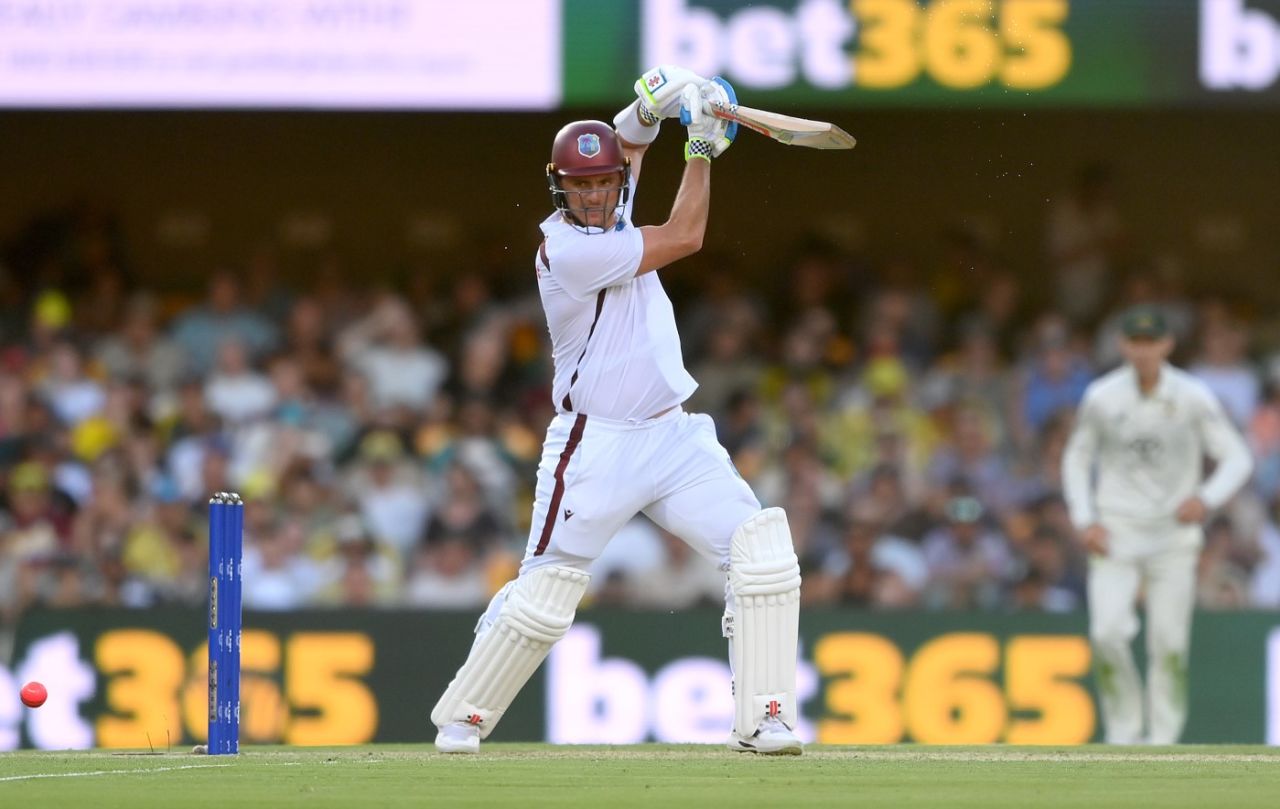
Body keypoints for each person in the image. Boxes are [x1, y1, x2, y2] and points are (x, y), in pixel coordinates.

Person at [429, 65, 804, 756]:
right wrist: (698, 146)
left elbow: (625, 144)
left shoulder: (614, 203)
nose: (598, 195)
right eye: (583, 185)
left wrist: (655, 102)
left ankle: (765, 716)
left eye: (605, 184)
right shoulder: (567, 250)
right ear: (560, 187)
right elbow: (686, 234)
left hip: (674, 435)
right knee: (547, 592)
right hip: (593, 445)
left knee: (762, 550)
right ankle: (466, 713)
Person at [1062, 305, 1253, 744]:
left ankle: (1163, 742)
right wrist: (1084, 518)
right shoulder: (1101, 397)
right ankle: (1124, 734)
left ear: (1167, 344)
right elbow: (1076, 457)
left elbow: (1237, 457)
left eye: (1152, 342)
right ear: (1122, 345)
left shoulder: (1191, 395)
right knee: (1107, 633)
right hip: (1116, 532)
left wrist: (1205, 500)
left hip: (1173, 535)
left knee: (1168, 645)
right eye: (1136, 342)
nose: (1144, 351)